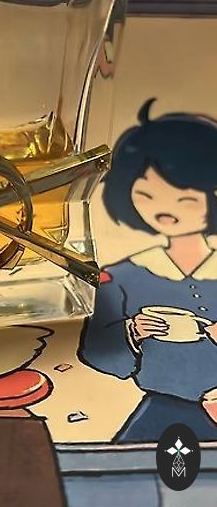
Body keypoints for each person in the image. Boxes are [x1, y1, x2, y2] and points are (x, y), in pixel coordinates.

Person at [79, 99, 217, 441]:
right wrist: (133, 330)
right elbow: (96, 351)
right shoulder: (122, 277)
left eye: (184, 197)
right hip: (164, 413)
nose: (165, 209)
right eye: (147, 195)